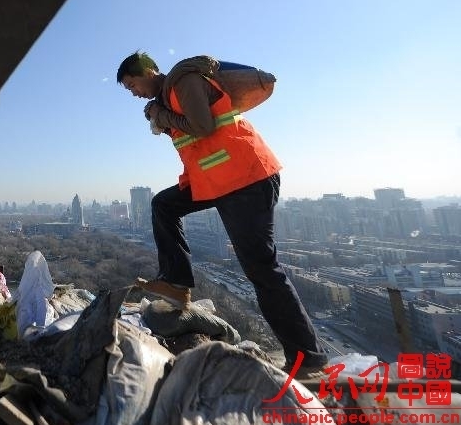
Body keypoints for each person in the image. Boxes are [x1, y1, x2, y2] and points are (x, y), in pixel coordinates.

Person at [117, 51, 327, 377]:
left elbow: (203, 127)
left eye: (133, 85)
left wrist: (162, 115)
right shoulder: (168, 97)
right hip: (220, 182)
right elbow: (198, 149)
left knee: (262, 270)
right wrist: (163, 117)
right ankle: (176, 283)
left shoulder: (183, 81)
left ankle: (308, 358)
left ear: (147, 71)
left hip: (246, 180)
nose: (134, 93)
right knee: (164, 205)